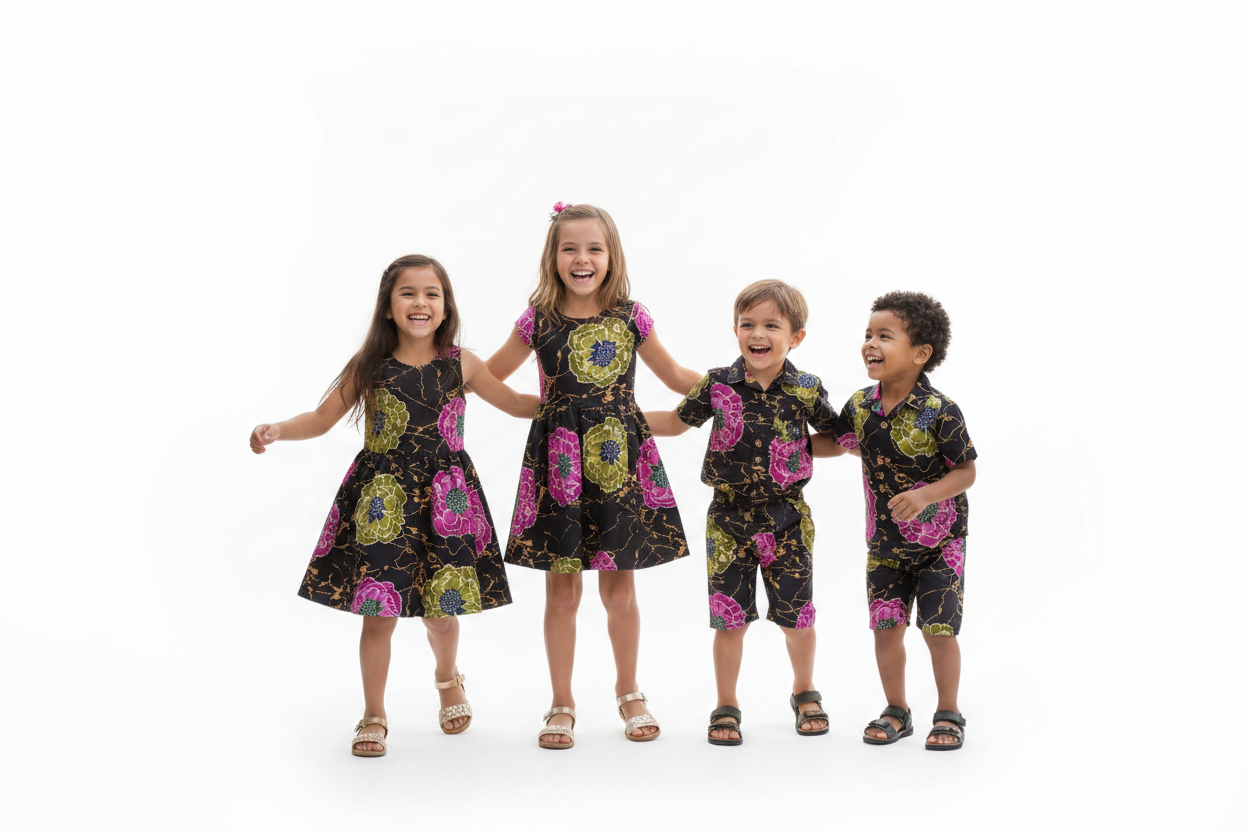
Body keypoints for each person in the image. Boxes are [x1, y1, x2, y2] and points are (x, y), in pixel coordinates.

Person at [250, 254, 539, 757]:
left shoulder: (462, 364)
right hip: (382, 501)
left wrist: (573, 400)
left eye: (431, 294)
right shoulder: (370, 366)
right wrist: (276, 430)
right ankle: (373, 713)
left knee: (440, 612)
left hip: (446, 501)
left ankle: (447, 677)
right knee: (377, 611)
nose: (420, 302)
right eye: (408, 293)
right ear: (388, 306)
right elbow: (320, 418)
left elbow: (515, 403)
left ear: (445, 307)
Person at [486, 203, 701, 748]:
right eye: (570, 248)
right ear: (553, 256)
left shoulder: (631, 318)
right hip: (559, 466)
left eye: (593, 249)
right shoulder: (537, 320)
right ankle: (561, 701)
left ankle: (629, 691)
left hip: (617, 465)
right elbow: (486, 378)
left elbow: (675, 375)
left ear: (611, 255)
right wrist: (542, 409)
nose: (582, 259)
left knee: (619, 590)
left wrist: (734, 389)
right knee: (561, 591)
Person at [646, 279, 848, 746]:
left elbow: (836, 438)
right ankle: (726, 704)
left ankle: (804, 691)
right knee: (729, 620)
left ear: (796, 337)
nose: (758, 334)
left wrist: (797, 449)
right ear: (735, 330)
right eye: (748, 324)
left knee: (797, 617)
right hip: (727, 520)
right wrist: (624, 419)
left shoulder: (806, 389)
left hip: (788, 520)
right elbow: (676, 422)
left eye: (772, 325)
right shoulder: (718, 383)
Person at [831, 290, 977, 750]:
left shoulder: (941, 411)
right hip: (884, 546)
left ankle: (948, 711)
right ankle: (897, 709)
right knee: (886, 631)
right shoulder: (860, 406)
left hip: (941, 545)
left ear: (920, 353)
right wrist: (783, 440)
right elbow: (836, 443)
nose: (870, 343)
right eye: (868, 334)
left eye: (885, 336)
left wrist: (924, 495)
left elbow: (966, 472)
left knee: (938, 631)